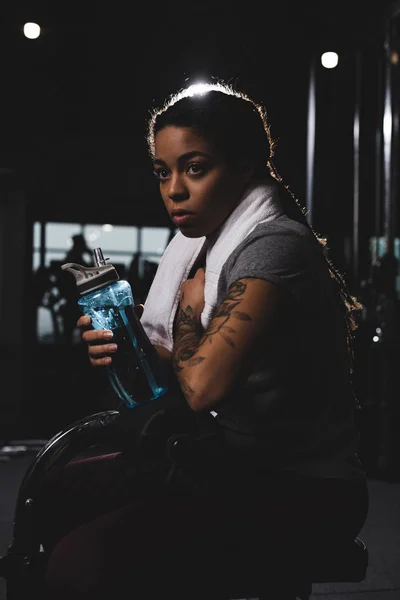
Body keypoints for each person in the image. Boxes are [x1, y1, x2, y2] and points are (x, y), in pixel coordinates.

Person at [40, 81, 369, 599]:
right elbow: (176, 366)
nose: (174, 189)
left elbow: (202, 388)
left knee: (80, 562)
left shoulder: (274, 245)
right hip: (222, 462)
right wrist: (125, 343)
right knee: (52, 493)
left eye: (195, 167)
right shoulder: (203, 244)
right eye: (163, 171)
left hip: (301, 485)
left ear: (245, 167)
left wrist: (190, 312)